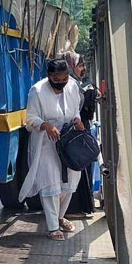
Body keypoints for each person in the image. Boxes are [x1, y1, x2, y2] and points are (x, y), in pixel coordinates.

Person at [20, 57, 84, 240]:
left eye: (64, 79)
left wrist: (77, 121)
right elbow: (30, 119)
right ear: (49, 76)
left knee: (70, 182)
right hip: (46, 143)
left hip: (69, 141)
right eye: (57, 80)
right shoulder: (37, 91)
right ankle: (53, 226)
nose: (61, 84)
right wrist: (46, 125)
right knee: (51, 183)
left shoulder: (72, 86)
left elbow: (75, 110)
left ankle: (60, 216)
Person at [65, 51, 98, 216]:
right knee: (78, 165)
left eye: (83, 65)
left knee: (83, 165)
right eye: (80, 66)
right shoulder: (70, 85)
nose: (83, 69)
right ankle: (75, 208)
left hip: (80, 128)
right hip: (76, 130)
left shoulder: (76, 84)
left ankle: (82, 206)